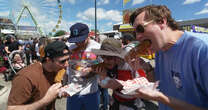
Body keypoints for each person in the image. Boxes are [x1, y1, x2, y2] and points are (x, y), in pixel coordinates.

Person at [129, 5, 208, 110]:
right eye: (135, 33)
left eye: (140, 28)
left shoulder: (201, 48)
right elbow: (161, 85)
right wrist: (147, 68)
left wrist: (162, 98)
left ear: (161, 21)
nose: (138, 37)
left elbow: (162, 96)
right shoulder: (159, 50)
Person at [92, 38, 157, 110]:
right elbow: (104, 85)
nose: (106, 60)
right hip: (115, 103)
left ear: (117, 56)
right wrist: (102, 77)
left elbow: (147, 86)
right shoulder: (107, 66)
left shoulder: (132, 64)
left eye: (109, 57)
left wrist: (121, 85)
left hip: (131, 105)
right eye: (103, 56)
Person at [7, 40, 70, 110]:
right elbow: (11, 108)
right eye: (62, 61)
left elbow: (42, 93)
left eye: (68, 59)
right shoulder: (25, 77)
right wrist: (45, 101)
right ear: (48, 60)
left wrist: (59, 93)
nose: (67, 65)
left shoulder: (56, 70)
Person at [65, 23, 101, 110]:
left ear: (88, 35)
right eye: (75, 40)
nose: (78, 43)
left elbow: (103, 65)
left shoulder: (97, 48)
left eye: (81, 40)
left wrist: (91, 70)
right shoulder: (69, 47)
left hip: (90, 93)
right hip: (72, 92)